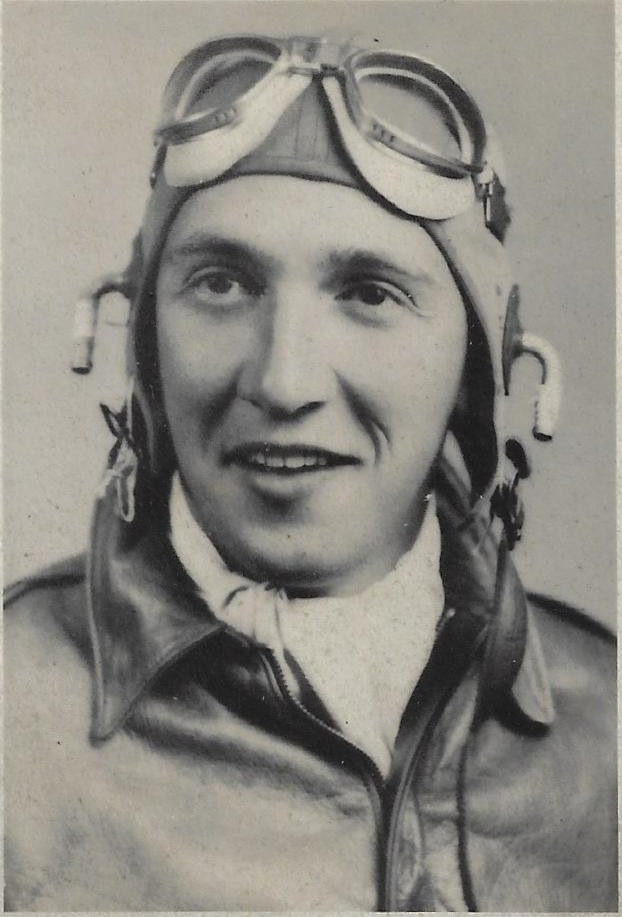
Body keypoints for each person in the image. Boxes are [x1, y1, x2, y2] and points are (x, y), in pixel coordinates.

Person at [5, 34, 616, 912]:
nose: (283, 382)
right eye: (222, 283)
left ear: (477, 368)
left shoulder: (608, 726)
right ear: (142, 341)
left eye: (370, 293)